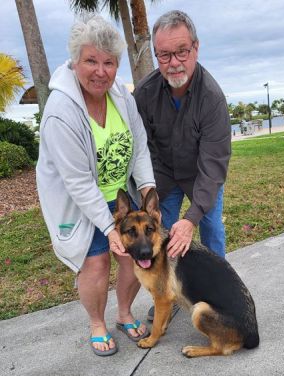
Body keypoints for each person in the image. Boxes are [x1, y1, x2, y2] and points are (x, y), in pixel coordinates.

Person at [36, 14, 155, 356]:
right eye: (90, 61)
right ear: (74, 62)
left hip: (121, 193)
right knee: (97, 263)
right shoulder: (61, 111)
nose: (100, 71)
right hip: (81, 201)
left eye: (109, 62)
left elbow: (139, 144)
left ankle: (123, 313)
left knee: (136, 256)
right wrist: (108, 227)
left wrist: (146, 189)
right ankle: (97, 324)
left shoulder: (121, 94)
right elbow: (77, 182)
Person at [134, 10, 231, 320]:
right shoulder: (145, 93)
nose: (173, 62)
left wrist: (192, 219)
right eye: (164, 55)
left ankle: (219, 293)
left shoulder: (212, 98)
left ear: (196, 48)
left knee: (211, 230)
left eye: (181, 51)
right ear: (155, 55)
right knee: (159, 236)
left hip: (201, 176)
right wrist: (148, 189)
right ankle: (168, 294)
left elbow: (214, 163)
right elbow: (140, 147)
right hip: (164, 176)